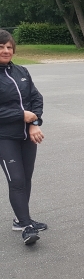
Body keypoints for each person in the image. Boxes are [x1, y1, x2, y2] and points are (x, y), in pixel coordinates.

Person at [0, 29, 46, 245]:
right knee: (16, 180)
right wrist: (22, 115)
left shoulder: (22, 72)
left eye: (9, 47)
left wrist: (34, 123)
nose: (6, 50)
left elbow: (36, 98)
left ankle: (20, 219)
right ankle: (26, 226)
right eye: (1, 47)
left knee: (26, 178)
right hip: (4, 137)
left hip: (28, 135)